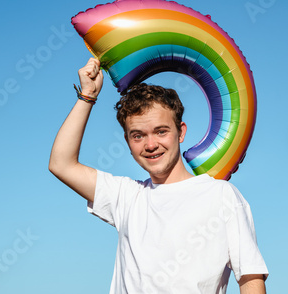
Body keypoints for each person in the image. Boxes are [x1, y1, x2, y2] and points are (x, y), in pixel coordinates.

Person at [49, 58, 269, 293]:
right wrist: (87, 95)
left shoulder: (221, 195)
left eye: (161, 131)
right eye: (138, 135)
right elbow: (61, 164)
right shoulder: (126, 196)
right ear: (127, 141)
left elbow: (250, 278)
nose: (150, 144)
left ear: (181, 132)